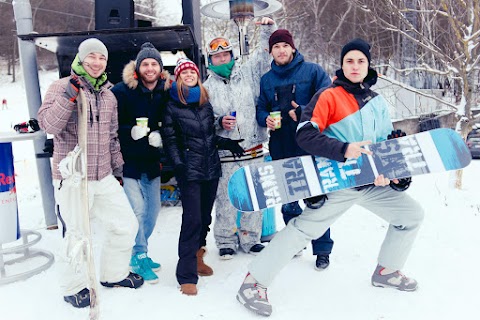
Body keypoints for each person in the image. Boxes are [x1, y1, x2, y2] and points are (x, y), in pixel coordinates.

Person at [236, 38, 424, 317]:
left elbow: (384, 142)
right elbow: (305, 133)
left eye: (361, 60)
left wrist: (394, 176)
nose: (355, 66)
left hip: (371, 183)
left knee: (411, 215)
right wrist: (344, 149)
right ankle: (253, 283)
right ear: (342, 65)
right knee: (302, 230)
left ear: (369, 64)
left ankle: (387, 270)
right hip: (339, 181)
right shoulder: (329, 96)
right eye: (350, 61)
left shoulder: (378, 101)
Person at [38, 38, 143, 309]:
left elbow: (111, 137)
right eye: (92, 57)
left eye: (102, 58)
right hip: (73, 176)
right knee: (76, 234)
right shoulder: (61, 87)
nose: (97, 63)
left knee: (126, 225)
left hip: (104, 175)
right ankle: (74, 287)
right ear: (81, 58)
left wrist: (117, 170)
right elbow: (48, 124)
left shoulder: (108, 95)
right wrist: (69, 97)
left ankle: (114, 274)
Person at [161, 58, 244, 295]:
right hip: (190, 172)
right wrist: (179, 166)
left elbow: (208, 137)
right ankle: (186, 274)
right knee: (192, 220)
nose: (188, 75)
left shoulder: (204, 103)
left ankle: (198, 258)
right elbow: (170, 140)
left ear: (197, 75)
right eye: (183, 73)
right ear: (177, 78)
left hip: (210, 169)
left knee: (205, 218)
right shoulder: (172, 105)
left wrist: (227, 142)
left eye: (191, 72)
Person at [256, 29, 334, 270]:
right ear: (271, 52)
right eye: (276, 47)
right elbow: (260, 108)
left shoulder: (312, 71)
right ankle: (294, 244)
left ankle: (322, 250)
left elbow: (328, 97)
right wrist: (265, 118)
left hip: (310, 144)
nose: (280, 50)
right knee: (289, 200)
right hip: (281, 145)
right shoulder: (267, 80)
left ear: (292, 48)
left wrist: (302, 110)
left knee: (316, 199)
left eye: (284, 46)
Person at [204, 17, 276, 259]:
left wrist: (267, 29)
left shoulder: (247, 73)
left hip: (253, 146)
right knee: (225, 199)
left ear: (232, 55)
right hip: (226, 153)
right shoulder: (206, 88)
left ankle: (251, 238)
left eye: (225, 54)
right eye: (216, 56)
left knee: (254, 196)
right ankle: (225, 240)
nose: (222, 59)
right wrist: (219, 122)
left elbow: (265, 53)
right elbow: (203, 122)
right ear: (210, 60)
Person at [111, 42, 171, 284]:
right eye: (145, 64)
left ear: (160, 67)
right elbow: (111, 125)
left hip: (152, 161)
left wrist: (162, 137)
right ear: (137, 68)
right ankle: (140, 254)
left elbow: (172, 123)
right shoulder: (122, 91)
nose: (149, 68)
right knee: (137, 210)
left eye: (154, 63)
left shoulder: (166, 91)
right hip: (129, 162)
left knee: (153, 211)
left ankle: (137, 250)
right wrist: (130, 131)